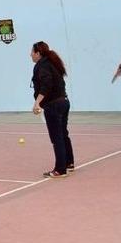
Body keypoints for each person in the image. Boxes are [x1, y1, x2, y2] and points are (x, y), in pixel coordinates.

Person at [31, 41, 74, 178]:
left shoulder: (42, 66)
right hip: (64, 102)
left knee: (57, 137)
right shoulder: (53, 63)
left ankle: (60, 169)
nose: (30, 55)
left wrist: (37, 103)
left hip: (54, 105)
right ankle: (69, 163)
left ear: (38, 53)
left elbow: (46, 84)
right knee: (63, 134)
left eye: (32, 52)